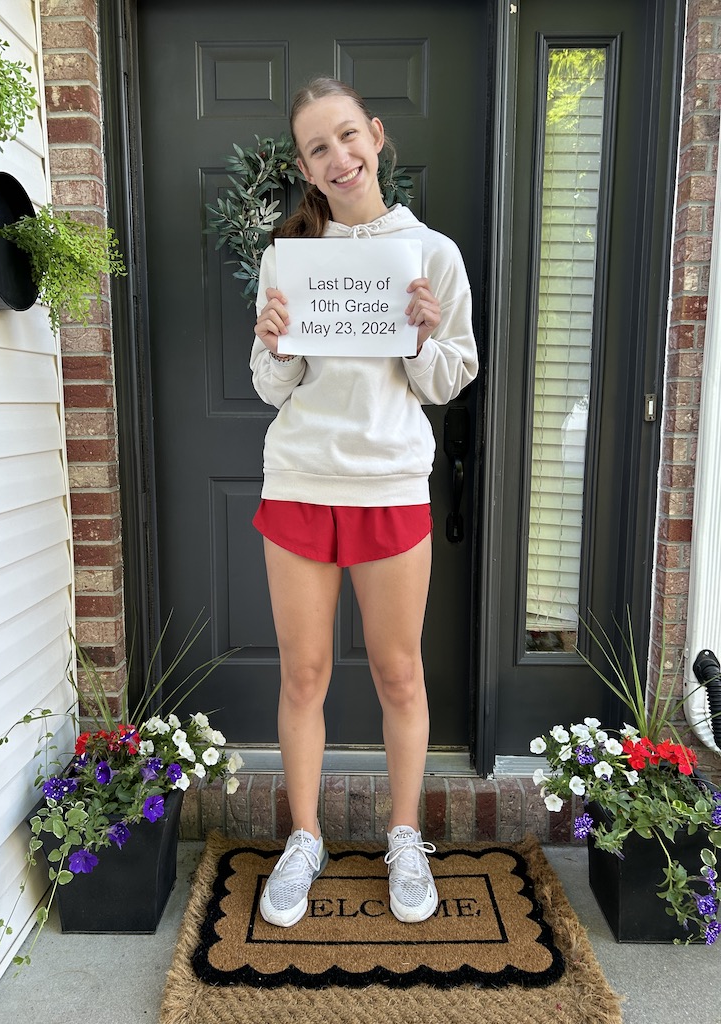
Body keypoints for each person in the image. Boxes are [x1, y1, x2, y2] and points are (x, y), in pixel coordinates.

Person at [249, 77, 478, 928]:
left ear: (375, 137)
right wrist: (272, 346)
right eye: (318, 147)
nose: (338, 158)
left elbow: (450, 378)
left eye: (348, 137)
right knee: (304, 674)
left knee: (398, 673)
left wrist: (422, 337)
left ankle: (405, 834)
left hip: (389, 485)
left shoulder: (432, 255)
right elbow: (273, 387)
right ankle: (303, 837)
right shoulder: (288, 258)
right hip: (303, 481)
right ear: (307, 169)